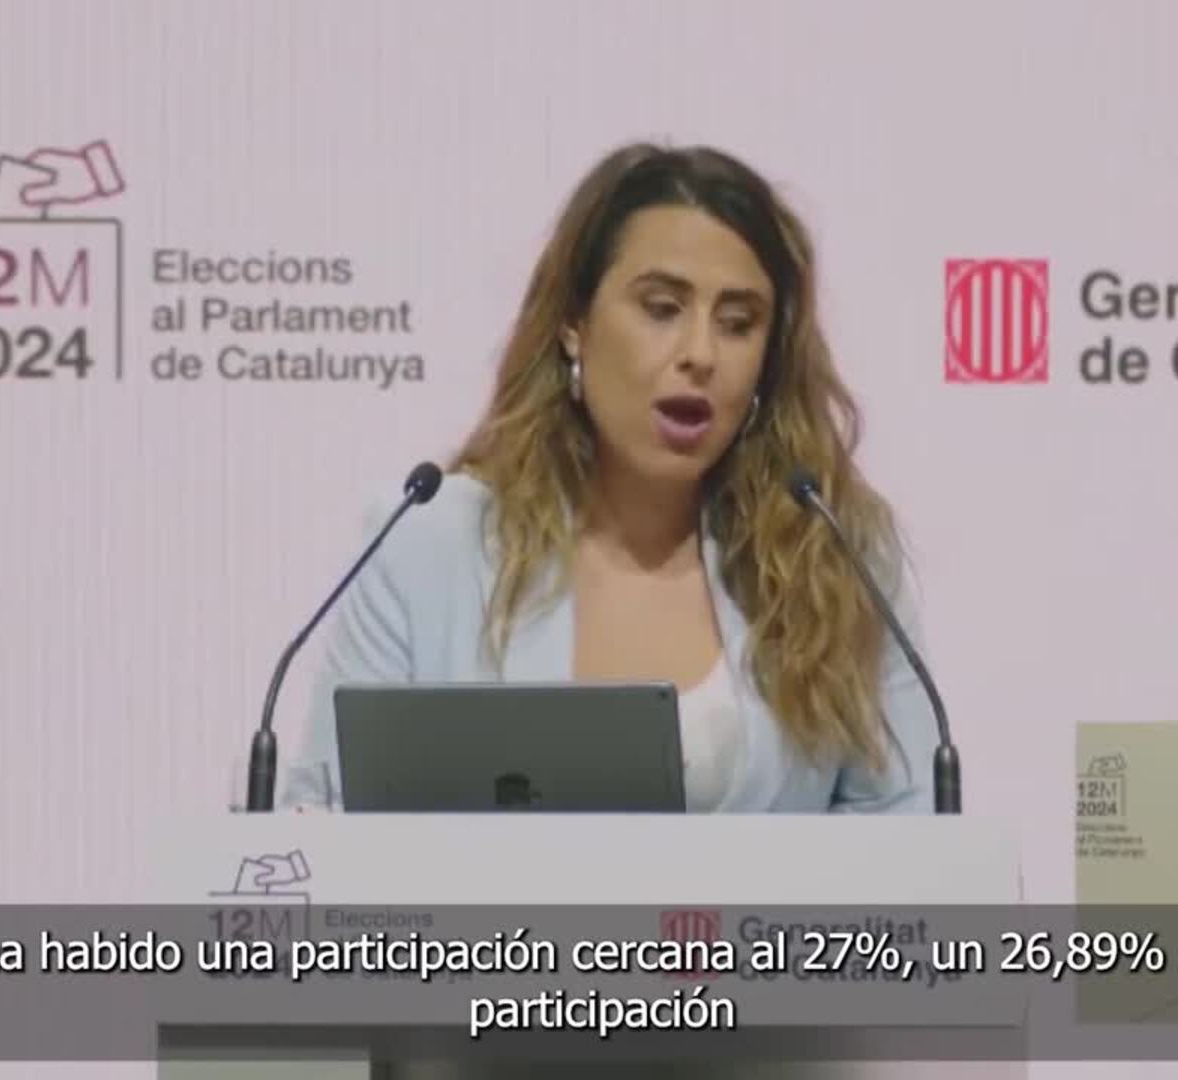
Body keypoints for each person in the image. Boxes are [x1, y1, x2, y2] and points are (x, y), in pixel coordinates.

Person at [278, 142, 937, 813]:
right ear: (575, 324)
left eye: (738, 324)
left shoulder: (834, 556)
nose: (701, 354)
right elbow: (321, 814)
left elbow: (907, 826)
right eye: (661, 309)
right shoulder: (428, 547)